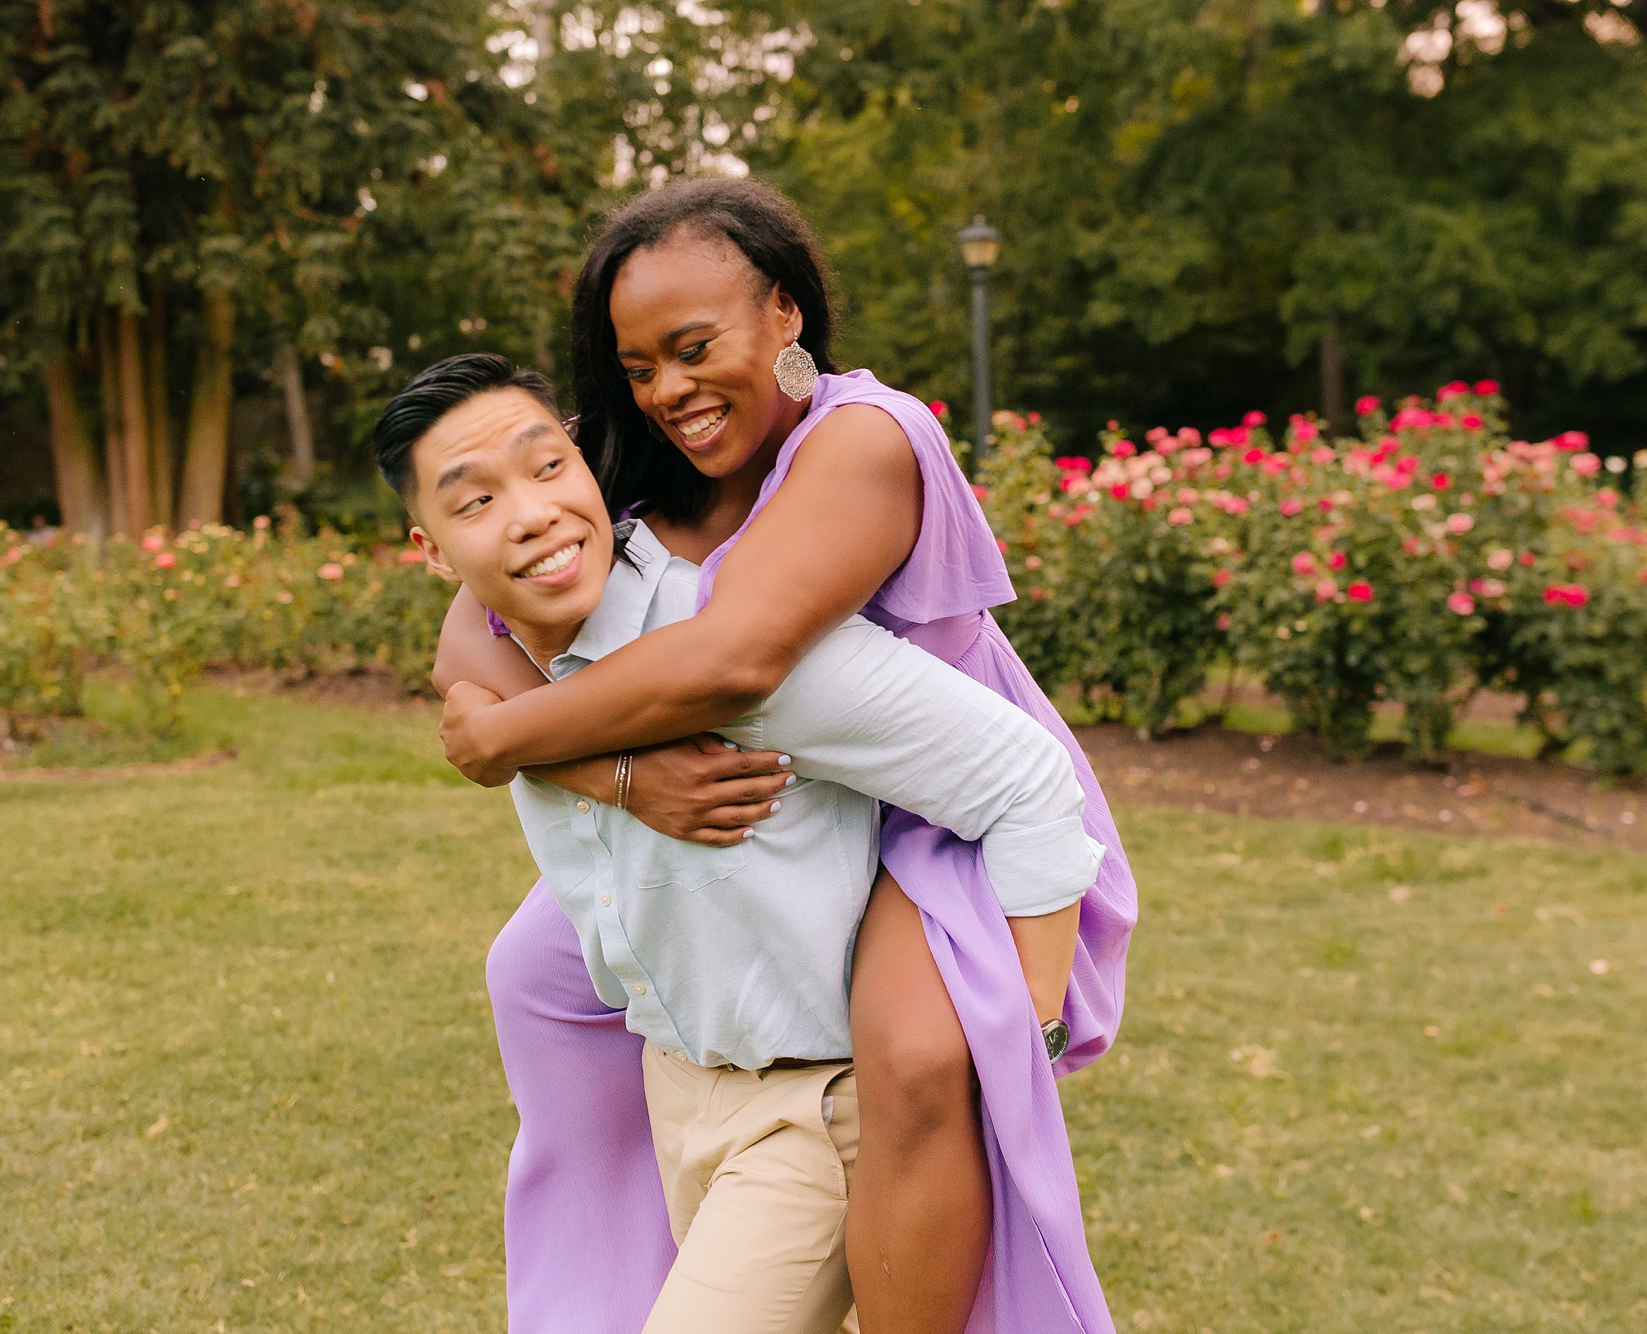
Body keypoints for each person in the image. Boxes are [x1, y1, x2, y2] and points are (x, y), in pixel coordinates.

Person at [435, 178, 1137, 1334]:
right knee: (538, 972)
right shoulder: (621, 462)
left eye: (693, 346)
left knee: (910, 1055)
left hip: (934, 811)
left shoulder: (862, 437)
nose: (667, 389)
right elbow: (472, 621)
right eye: (636, 366)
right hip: (753, 806)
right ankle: (607, 1283)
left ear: (783, 314)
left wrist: (509, 737)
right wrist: (612, 776)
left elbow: (740, 655)